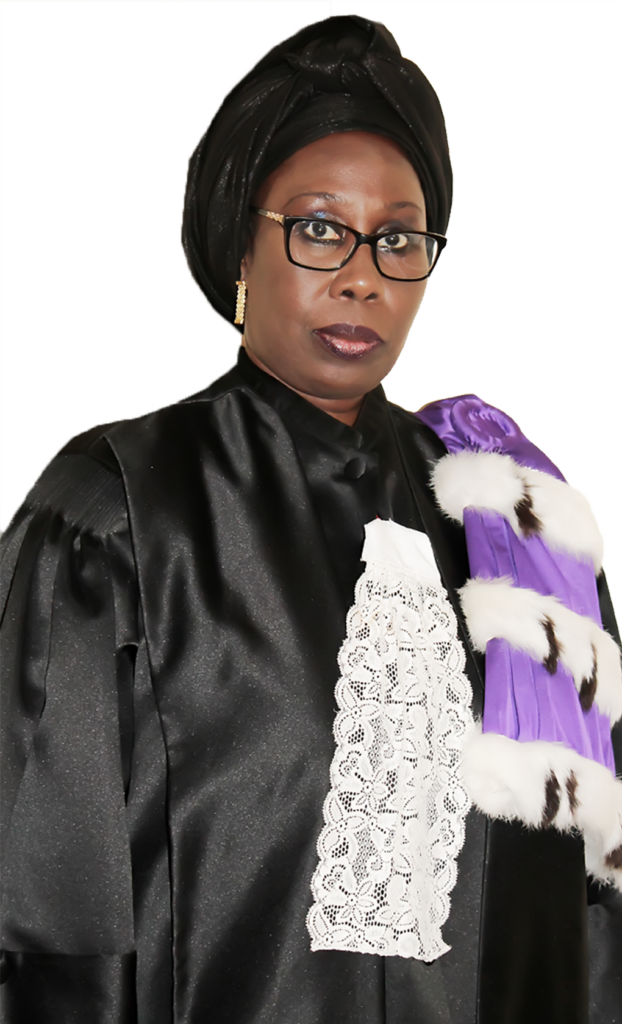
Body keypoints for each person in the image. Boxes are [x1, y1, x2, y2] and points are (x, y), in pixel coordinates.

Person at [0, 14, 620, 1024]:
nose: (362, 274)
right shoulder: (118, 513)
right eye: (321, 228)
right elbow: (44, 916)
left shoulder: (510, 527)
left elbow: (593, 909)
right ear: (241, 245)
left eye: (399, 238)